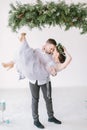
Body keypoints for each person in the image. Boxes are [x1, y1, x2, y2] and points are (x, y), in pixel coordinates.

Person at [2, 33, 72, 129]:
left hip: (45, 81)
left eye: (53, 49)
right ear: (46, 45)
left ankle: (51, 117)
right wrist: (13, 62)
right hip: (33, 80)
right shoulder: (39, 51)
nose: (52, 51)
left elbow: (57, 64)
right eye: (51, 48)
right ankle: (36, 120)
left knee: (48, 99)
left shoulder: (53, 58)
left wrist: (61, 52)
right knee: (35, 100)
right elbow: (27, 57)